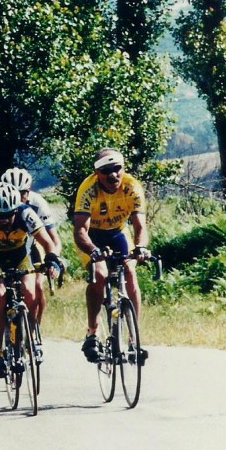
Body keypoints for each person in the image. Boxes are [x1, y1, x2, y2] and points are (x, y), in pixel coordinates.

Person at [0, 182, 62, 378]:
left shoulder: (26, 213)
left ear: (16, 208)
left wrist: (52, 260)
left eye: (8, 215)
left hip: (20, 256)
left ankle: (28, 336)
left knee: (29, 292)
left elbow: (48, 243)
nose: (3, 220)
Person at [72, 148, 151, 363]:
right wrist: (93, 251)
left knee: (129, 270)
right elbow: (80, 230)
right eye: (106, 171)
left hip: (117, 233)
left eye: (117, 169)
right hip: (91, 237)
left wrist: (141, 247)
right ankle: (92, 332)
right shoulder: (88, 190)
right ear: (97, 173)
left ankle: (134, 339)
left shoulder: (132, 186)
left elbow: (140, 226)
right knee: (99, 274)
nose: (113, 175)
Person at [1, 167, 62, 332]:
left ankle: (34, 333)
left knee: (37, 287)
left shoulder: (38, 203)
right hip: (7, 250)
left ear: (29, 191)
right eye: (14, 192)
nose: (20, 198)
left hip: (32, 246)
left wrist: (54, 261)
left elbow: (53, 239)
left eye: (23, 193)